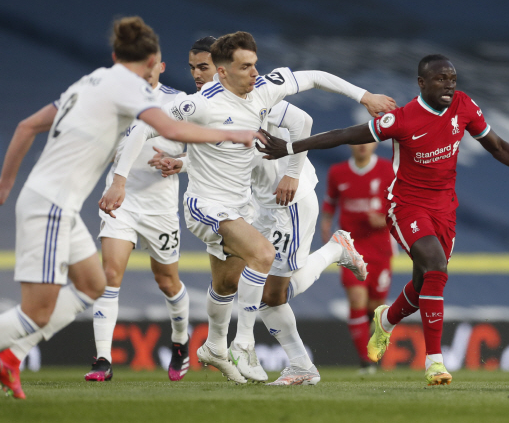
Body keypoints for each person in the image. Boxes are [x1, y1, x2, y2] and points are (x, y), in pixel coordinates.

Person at [258, 54, 509, 386]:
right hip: (406, 207)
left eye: (452, 79)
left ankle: (386, 320)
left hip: (445, 209)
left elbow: (497, 147)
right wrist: (292, 147)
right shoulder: (403, 118)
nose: (449, 85)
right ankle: (435, 362)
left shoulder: (464, 106)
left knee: (426, 282)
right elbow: (345, 135)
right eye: (440, 79)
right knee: (436, 266)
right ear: (421, 84)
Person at [102, 31, 396, 384]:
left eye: (254, 64)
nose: (255, 73)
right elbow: (143, 127)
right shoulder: (201, 104)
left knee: (232, 284)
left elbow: (315, 78)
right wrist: (119, 180)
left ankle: (216, 346)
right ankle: (243, 344)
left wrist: (366, 96)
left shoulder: (263, 91)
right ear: (223, 73)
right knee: (263, 259)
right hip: (207, 205)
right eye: (245, 67)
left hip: (255, 205)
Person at [0, 16, 260, 399]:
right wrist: (231, 132)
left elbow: (25, 126)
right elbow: (169, 129)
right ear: (152, 60)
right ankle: (18, 352)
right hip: (54, 204)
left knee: (94, 284)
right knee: (37, 312)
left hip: (61, 203)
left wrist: (5, 185)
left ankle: (13, 356)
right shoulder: (129, 88)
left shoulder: (88, 82)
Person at [84, 51, 191, 383]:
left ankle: (180, 341)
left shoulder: (182, 102)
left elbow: (203, 151)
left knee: (167, 282)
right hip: (122, 202)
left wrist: (180, 163)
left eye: (152, 63)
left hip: (160, 207)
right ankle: (102, 359)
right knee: (110, 273)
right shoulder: (113, 102)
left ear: (161, 66)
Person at [321, 142, 395, 374]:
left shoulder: (387, 170)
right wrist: (325, 232)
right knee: (356, 299)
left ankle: (370, 342)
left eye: (368, 140)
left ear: (375, 143)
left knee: (374, 307)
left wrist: (385, 220)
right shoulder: (337, 172)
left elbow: (401, 205)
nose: (363, 145)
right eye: (357, 140)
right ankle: (366, 362)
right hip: (351, 248)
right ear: (350, 144)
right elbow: (329, 205)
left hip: (381, 249)